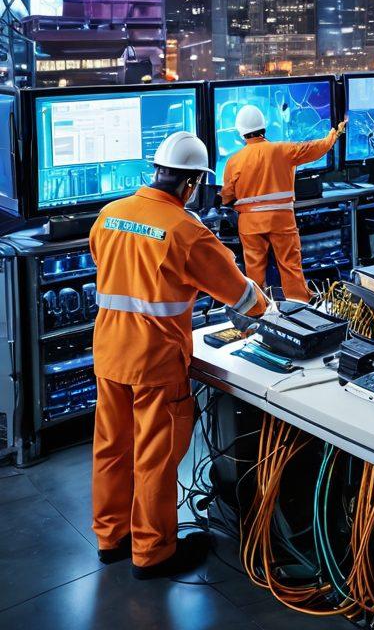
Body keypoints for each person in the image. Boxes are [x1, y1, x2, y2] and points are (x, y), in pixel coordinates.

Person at [90, 131, 268, 578]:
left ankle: (111, 539)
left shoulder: (110, 215)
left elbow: (108, 267)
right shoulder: (187, 231)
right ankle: (153, 553)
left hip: (109, 352)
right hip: (155, 360)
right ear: (191, 184)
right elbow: (242, 297)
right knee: (155, 456)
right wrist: (274, 313)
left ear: (157, 171)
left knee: (111, 448)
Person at [220, 104, 347, 301]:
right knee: (290, 266)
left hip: (250, 224)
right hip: (281, 220)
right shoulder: (283, 150)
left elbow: (227, 194)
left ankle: (256, 310)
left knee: (254, 272)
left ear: (241, 133)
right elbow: (315, 148)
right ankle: (299, 308)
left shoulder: (234, 161)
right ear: (264, 127)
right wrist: (333, 135)